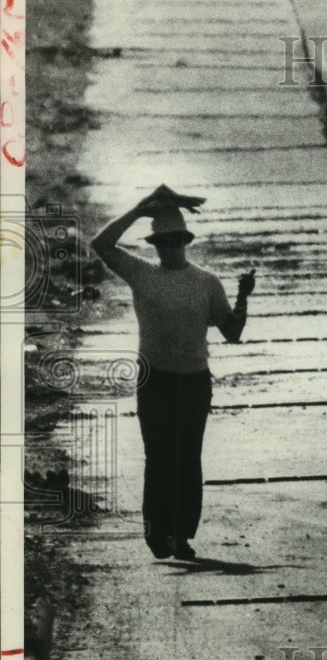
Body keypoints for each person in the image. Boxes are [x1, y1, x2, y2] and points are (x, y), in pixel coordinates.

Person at [91, 185, 255, 561]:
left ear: (185, 241)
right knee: (158, 458)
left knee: (187, 459)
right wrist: (138, 209)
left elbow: (231, 332)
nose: (167, 249)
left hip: (194, 381)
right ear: (154, 245)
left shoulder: (206, 282)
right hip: (155, 380)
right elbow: (100, 244)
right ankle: (157, 533)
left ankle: (181, 537)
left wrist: (244, 295)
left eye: (173, 242)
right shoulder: (141, 274)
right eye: (161, 243)